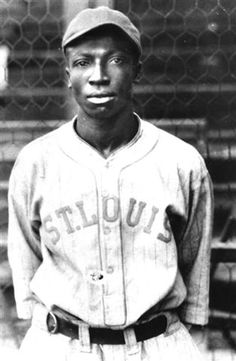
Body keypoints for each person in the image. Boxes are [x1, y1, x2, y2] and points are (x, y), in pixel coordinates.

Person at [8, 6, 213, 361]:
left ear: (137, 70)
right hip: (61, 346)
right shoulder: (35, 162)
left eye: (116, 60)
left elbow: (194, 273)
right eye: (84, 62)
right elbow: (26, 267)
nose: (99, 76)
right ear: (67, 72)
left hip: (158, 344)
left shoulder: (181, 162)